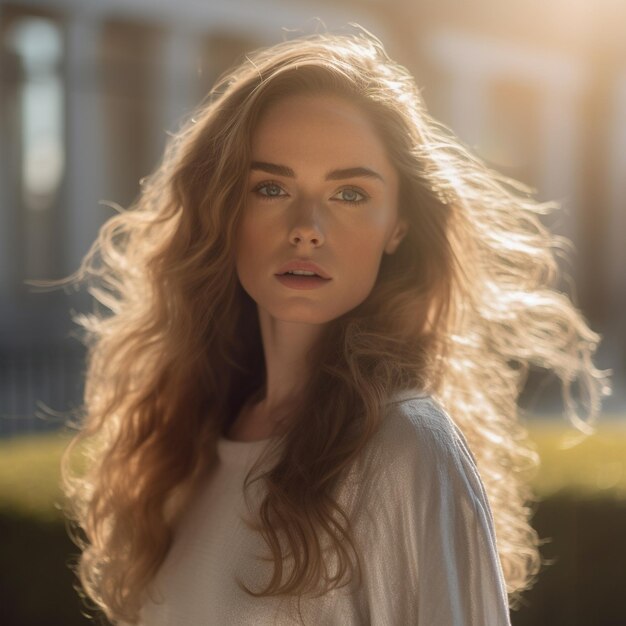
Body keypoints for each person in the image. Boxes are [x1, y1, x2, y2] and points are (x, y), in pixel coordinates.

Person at [56, 26, 611, 626]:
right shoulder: (192, 439)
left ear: (397, 226)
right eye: (271, 187)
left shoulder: (406, 446)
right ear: (224, 210)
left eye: (349, 194)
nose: (308, 227)